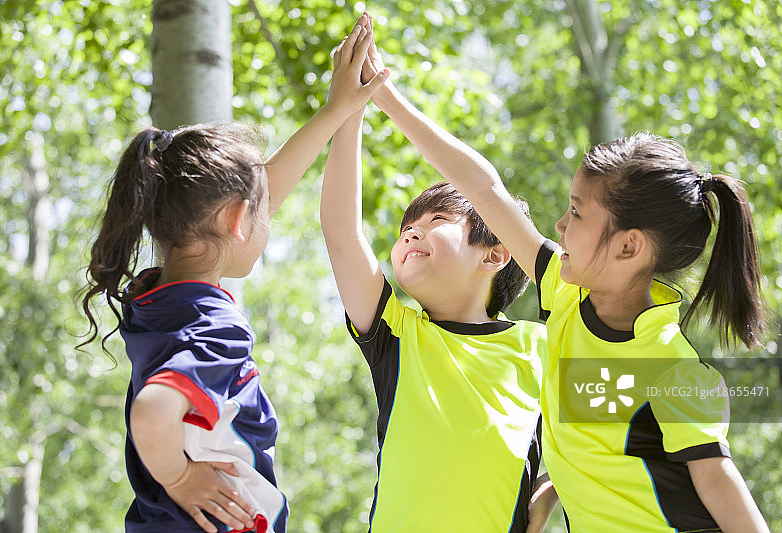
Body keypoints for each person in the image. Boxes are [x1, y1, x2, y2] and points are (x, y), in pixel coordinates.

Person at [356, 14, 770, 533]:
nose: (558, 223)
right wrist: (387, 100)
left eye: (576, 213)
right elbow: (484, 189)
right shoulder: (567, 294)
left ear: (628, 247)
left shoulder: (670, 367)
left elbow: (717, 481)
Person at [79, 24, 389, 533]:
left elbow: (252, 199)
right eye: (263, 210)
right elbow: (153, 411)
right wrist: (179, 478)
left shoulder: (157, 298)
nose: (273, 212)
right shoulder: (215, 326)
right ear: (237, 220)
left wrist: (337, 111)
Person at [320, 13, 549, 533]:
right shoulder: (397, 334)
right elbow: (339, 229)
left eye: (436, 221)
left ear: (495, 254)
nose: (410, 233)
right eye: (405, 228)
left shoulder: (542, 347)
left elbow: (625, 413)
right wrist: (349, 109)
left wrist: (552, 492)